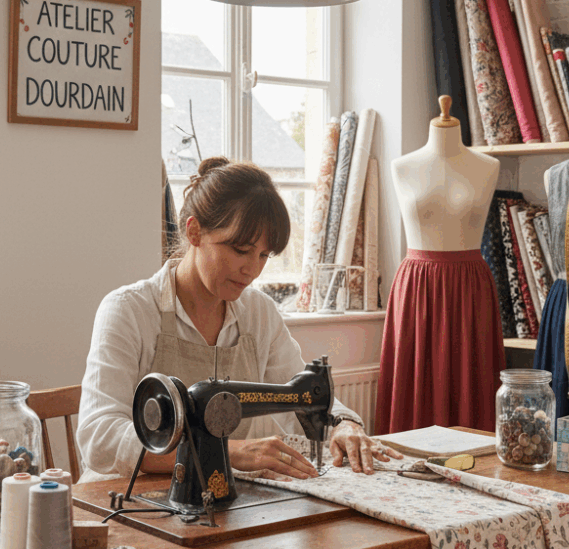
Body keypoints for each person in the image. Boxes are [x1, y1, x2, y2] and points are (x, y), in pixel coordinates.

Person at [76, 156, 401, 485]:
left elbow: (300, 393)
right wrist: (227, 453)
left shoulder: (259, 313)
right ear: (194, 231)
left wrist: (344, 424)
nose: (253, 270)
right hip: (123, 501)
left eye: (263, 255)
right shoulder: (129, 311)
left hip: (218, 497)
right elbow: (99, 440)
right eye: (240, 250)